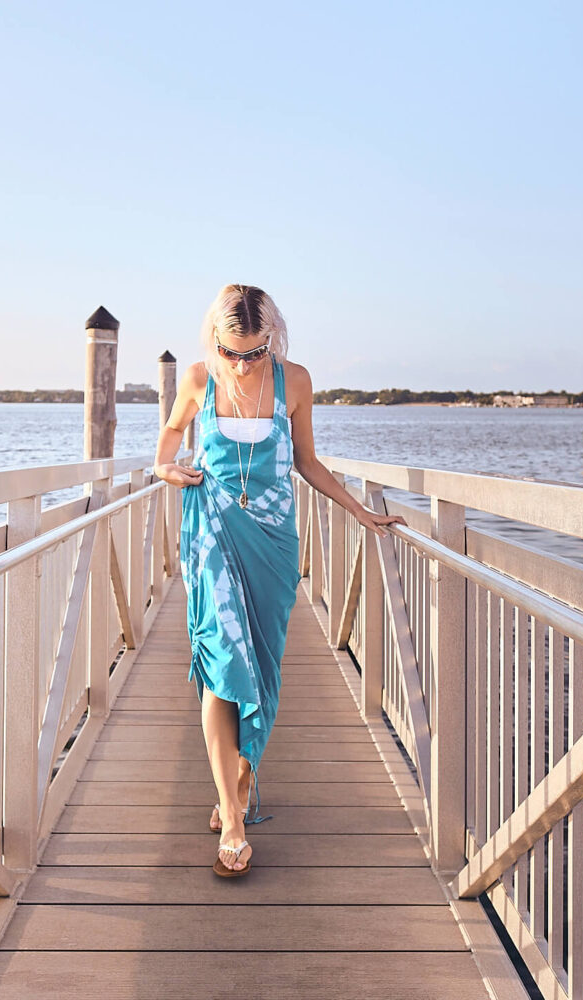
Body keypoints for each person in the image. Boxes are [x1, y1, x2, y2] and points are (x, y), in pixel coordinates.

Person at [153, 284, 405, 877]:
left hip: (272, 543)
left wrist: (360, 512)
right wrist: (170, 470)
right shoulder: (196, 380)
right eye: (232, 352)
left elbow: (307, 461)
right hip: (213, 535)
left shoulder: (296, 382)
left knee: (262, 669)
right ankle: (233, 823)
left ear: (274, 337)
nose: (242, 363)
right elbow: (165, 446)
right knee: (222, 663)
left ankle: (238, 778)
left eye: (255, 352)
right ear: (215, 339)